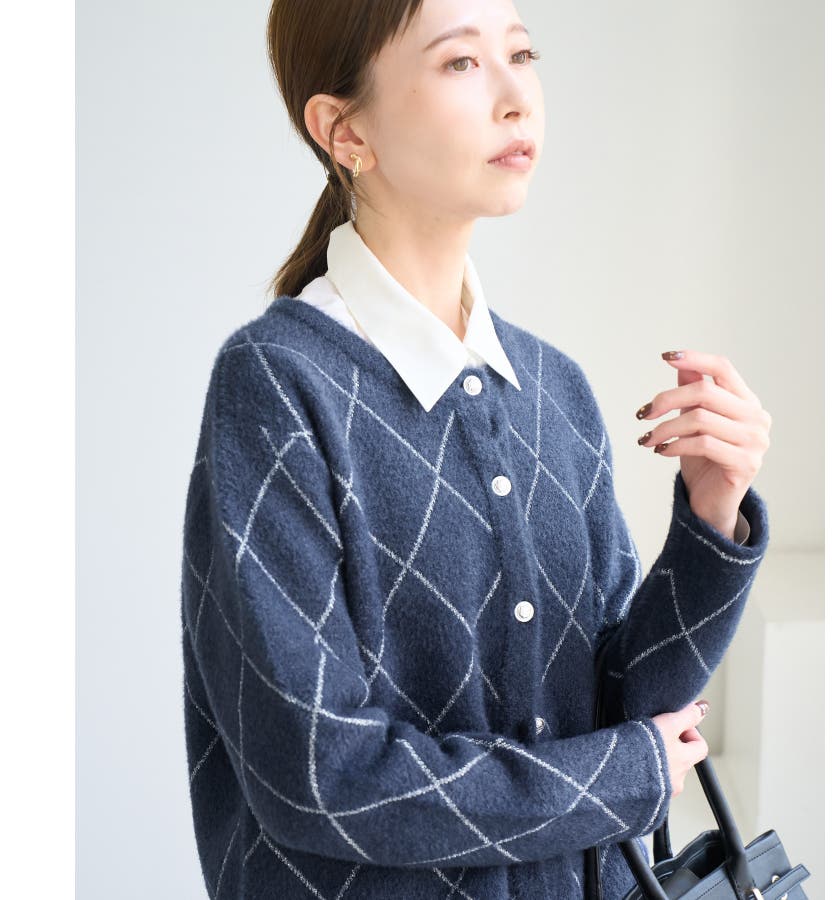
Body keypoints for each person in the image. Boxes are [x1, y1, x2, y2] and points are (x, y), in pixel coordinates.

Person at [180, 1, 772, 897]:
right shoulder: (276, 386)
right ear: (345, 131)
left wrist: (712, 514)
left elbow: (620, 705)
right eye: (461, 62)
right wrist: (622, 775)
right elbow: (317, 777)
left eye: (522, 54)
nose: (516, 96)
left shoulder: (552, 388)